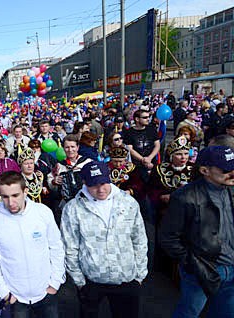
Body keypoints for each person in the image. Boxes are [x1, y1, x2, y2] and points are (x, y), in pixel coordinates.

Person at [61, 161, 148, 318]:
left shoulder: (128, 202)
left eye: (103, 183)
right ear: (85, 183)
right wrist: (79, 280)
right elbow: (69, 246)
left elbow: (139, 239)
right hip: (91, 280)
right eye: (94, 185)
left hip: (126, 278)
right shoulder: (73, 208)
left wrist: (139, 275)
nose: (100, 190)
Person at [160, 146, 234, 317]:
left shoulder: (230, 189)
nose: (232, 173)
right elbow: (168, 238)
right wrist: (193, 263)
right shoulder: (184, 196)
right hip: (202, 269)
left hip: (231, 268)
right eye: (226, 169)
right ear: (204, 170)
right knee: (189, 313)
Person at [0, 171, 65, 317]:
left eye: (15, 195)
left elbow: (56, 248)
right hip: (15, 297)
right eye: (5, 197)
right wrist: (3, 292)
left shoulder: (43, 213)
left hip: (46, 292)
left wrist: (55, 282)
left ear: (25, 191)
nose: (10, 202)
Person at [48, 134, 92, 207]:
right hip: (67, 204)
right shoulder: (60, 165)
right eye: (67, 147)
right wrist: (54, 181)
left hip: (87, 203)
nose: (70, 150)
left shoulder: (87, 162)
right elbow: (50, 179)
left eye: (73, 147)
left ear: (77, 147)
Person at [124, 109, 160, 181]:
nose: (148, 119)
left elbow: (157, 145)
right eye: (145, 117)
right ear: (137, 119)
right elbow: (130, 149)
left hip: (152, 163)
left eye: (148, 117)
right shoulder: (129, 132)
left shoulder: (152, 129)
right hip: (137, 165)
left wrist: (150, 158)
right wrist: (143, 160)